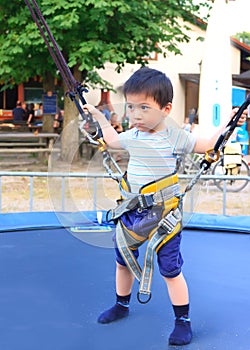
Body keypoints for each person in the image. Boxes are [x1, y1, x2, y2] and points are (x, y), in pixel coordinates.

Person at [83, 67, 247, 346]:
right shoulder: (133, 136)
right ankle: (121, 305)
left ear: (166, 109)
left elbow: (209, 144)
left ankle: (182, 320)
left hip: (163, 216)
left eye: (144, 108)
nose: (135, 115)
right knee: (122, 261)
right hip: (131, 213)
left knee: (170, 270)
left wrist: (228, 123)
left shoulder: (174, 136)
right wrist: (97, 115)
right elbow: (110, 139)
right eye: (131, 107)